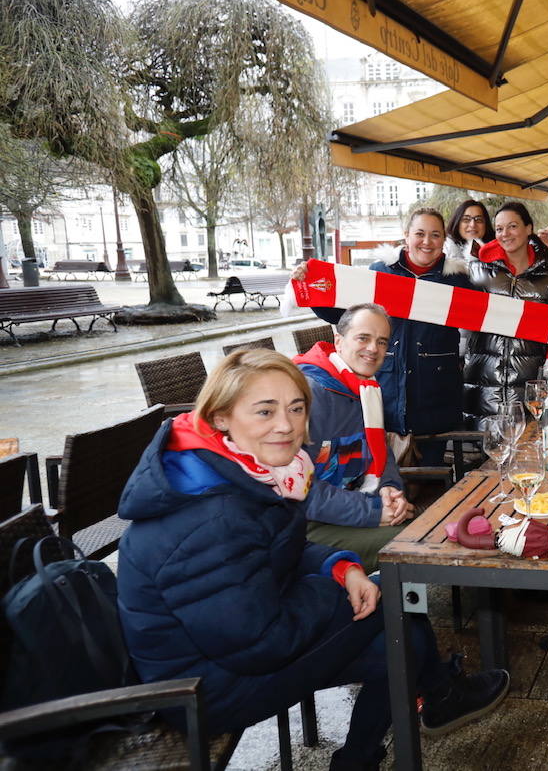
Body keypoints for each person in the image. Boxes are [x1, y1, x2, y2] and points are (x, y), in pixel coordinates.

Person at [115, 349, 509, 771]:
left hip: (239, 646)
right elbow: (260, 643)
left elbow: (286, 547)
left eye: (296, 408)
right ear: (221, 418)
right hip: (205, 688)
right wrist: (339, 591)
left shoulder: (242, 471)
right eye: (264, 412)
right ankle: (439, 698)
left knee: (404, 635)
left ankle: (362, 756)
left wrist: (341, 567)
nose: (285, 425)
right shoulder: (211, 512)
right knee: (393, 605)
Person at [295, 206, 470, 464]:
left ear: (444, 239)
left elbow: (488, 321)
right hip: (385, 398)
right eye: (419, 233)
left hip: (436, 401)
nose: (427, 241)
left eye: (435, 235)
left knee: (432, 485)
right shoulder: (380, 272)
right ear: (406, 235)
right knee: (386, 484)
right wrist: (309, 285)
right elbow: (344, 316)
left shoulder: (457, 281)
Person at [293, 303, 413, 570]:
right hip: (300, 525)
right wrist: (372, 512)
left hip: (347, 507)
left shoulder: (365, 389)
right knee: (415, 542)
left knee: (425, 527)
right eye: (363, 338)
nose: (373, 349)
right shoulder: (308, 395)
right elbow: (299, 489)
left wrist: (390, 489)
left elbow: (381, 454)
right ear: (338, 340)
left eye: (382, 342)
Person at [464, 201, 548, 424]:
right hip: (483, 390)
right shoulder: (475, 272)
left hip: (530, 391)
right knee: (485, 456)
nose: (505, 234)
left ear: (529, 228)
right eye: (500, 228)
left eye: (512, 226)